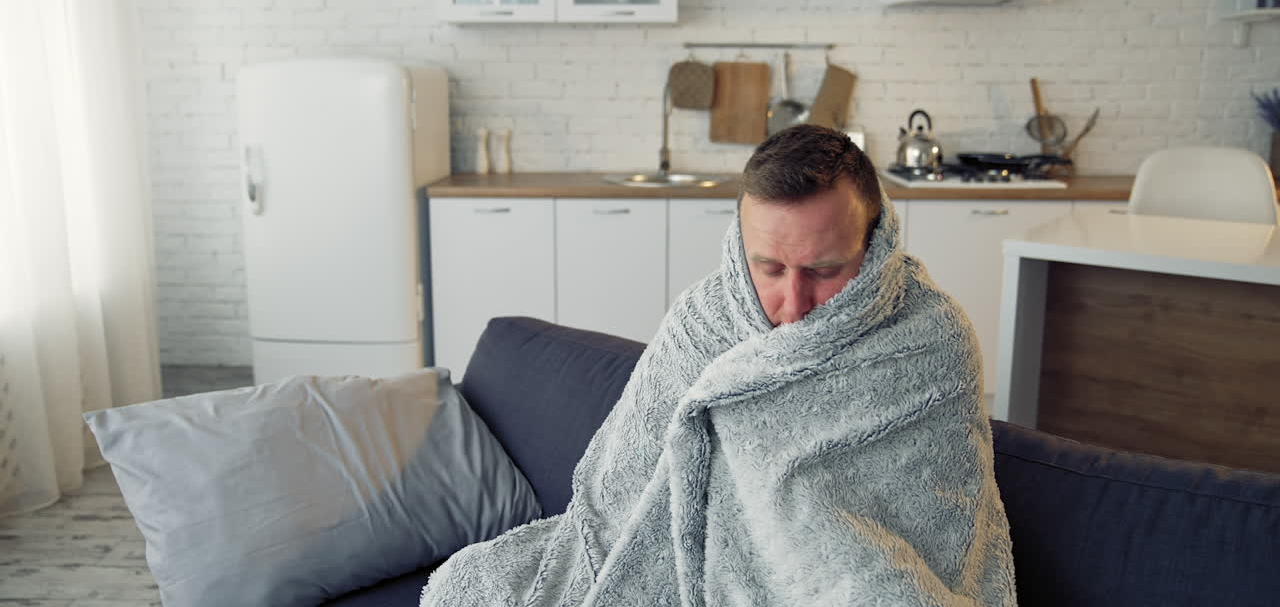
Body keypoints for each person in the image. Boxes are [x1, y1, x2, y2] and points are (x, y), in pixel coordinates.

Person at [422, 124, 1016, 606]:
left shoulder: (931, 339)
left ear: (876, 237)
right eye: (770, 268)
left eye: (825, 270)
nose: (792, 303)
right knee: (465, 586)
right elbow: (624, 478)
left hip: (853, 578)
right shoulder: (705, 317)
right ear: (739, 243)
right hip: (687, 566)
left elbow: (939, 530)